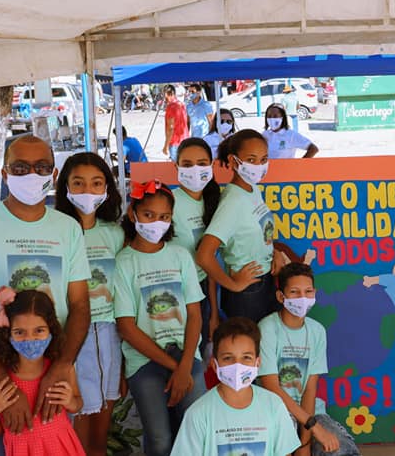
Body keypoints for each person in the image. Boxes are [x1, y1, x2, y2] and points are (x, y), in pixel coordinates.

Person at [0, 135, 91, 456]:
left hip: (50, 382)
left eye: (41, 167)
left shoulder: (68, 228)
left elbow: (81, 306)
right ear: (4, 174)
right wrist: (4, 387)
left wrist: (60, 367)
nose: (31, 175)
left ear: (54, 174)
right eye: (20, 168)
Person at [112, 179, 206, 456]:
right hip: (145, 362)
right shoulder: (123, 262)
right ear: (133, 214)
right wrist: (175, 367)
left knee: (195, 435)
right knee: (160, 440)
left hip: (187, 357)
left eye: (164, 217)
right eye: (148, 215)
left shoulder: (180, 256)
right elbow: (127, 327)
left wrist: (185, 365)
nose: (156, 223)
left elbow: (195, 314)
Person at [54, 152, 125, 456]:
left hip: (109, 335)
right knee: (79, 418)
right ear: (65, 187)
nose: (87, 191)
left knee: (103, 420)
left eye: (96, 183)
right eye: (78, 183)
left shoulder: (115, 234)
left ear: (107, 188)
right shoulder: (57, 232)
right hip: (73, 336)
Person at [259, 263, 359, 455]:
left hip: (312, 413)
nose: (302, 298)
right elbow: (272, 387)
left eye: (308, 291)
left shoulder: (317, 331)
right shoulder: (267, 328)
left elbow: (310, 388)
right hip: (276, 411)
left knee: (342, 451)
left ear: (315, 294)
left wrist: (304, 443)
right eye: (294, 292)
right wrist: (312, 427)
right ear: (281, 296)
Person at [171, 317, 301, 456]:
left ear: (257, 363)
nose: (237, 365)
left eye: (246, 357)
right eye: (228, 358)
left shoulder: (274, 405)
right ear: (215, 365)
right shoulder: (198, 414)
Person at [0, 289, 85, 456]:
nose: (30, 339)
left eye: (39, 330)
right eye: (19, 332)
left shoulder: (61, 370)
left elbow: (78, 404)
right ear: (8, 333)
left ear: (51, 329)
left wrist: (70, 401)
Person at [197, 130, 279, 323]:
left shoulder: (252, 188)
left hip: (264, 280)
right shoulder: (233, 201)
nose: (259, 166)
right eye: (251, 160)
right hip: (248, 293)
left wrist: (274, 253)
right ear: (233, 162)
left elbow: (258, 233)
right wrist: (233, 285)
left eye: (263, 159)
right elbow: (204, 255)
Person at [172, 138, 222, 358]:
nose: (195, 170)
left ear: (212, 165)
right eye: (187, 164)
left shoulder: (215, 202)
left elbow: (209, 265)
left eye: (202, 163)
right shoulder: (168, 202)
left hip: (201, 292)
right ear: (176, 166)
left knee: (197, 357)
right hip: (173, 290)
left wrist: (213, 314)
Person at [162, 85, 189, 161]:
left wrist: (166, 145)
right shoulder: (181, 104)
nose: (164, 97)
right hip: (185, 140)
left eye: (164, 94)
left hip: (175, 142)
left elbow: (170, 128)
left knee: (176, 165)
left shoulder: (171, 107)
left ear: (168, 94)